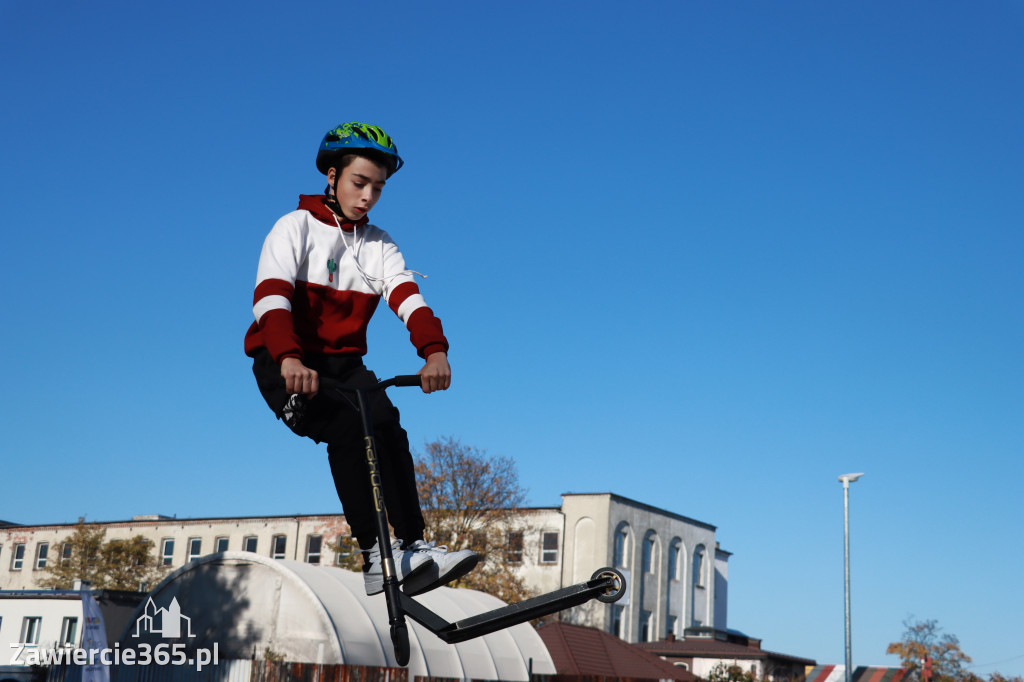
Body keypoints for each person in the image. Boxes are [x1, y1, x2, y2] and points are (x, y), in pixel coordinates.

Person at [244, 121, 478, 596]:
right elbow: (270, 298)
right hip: (285, 362)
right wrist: (289, 359)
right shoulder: (294, 228)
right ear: (331, 176)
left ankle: (413, 545)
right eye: (359, 183)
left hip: (344, 365)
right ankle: (375, 554)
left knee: (387, 423)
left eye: (379, 187)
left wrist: (435, 350)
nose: (369, 196)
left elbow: (408, 298)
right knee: (352, 427)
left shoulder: (378, 244)